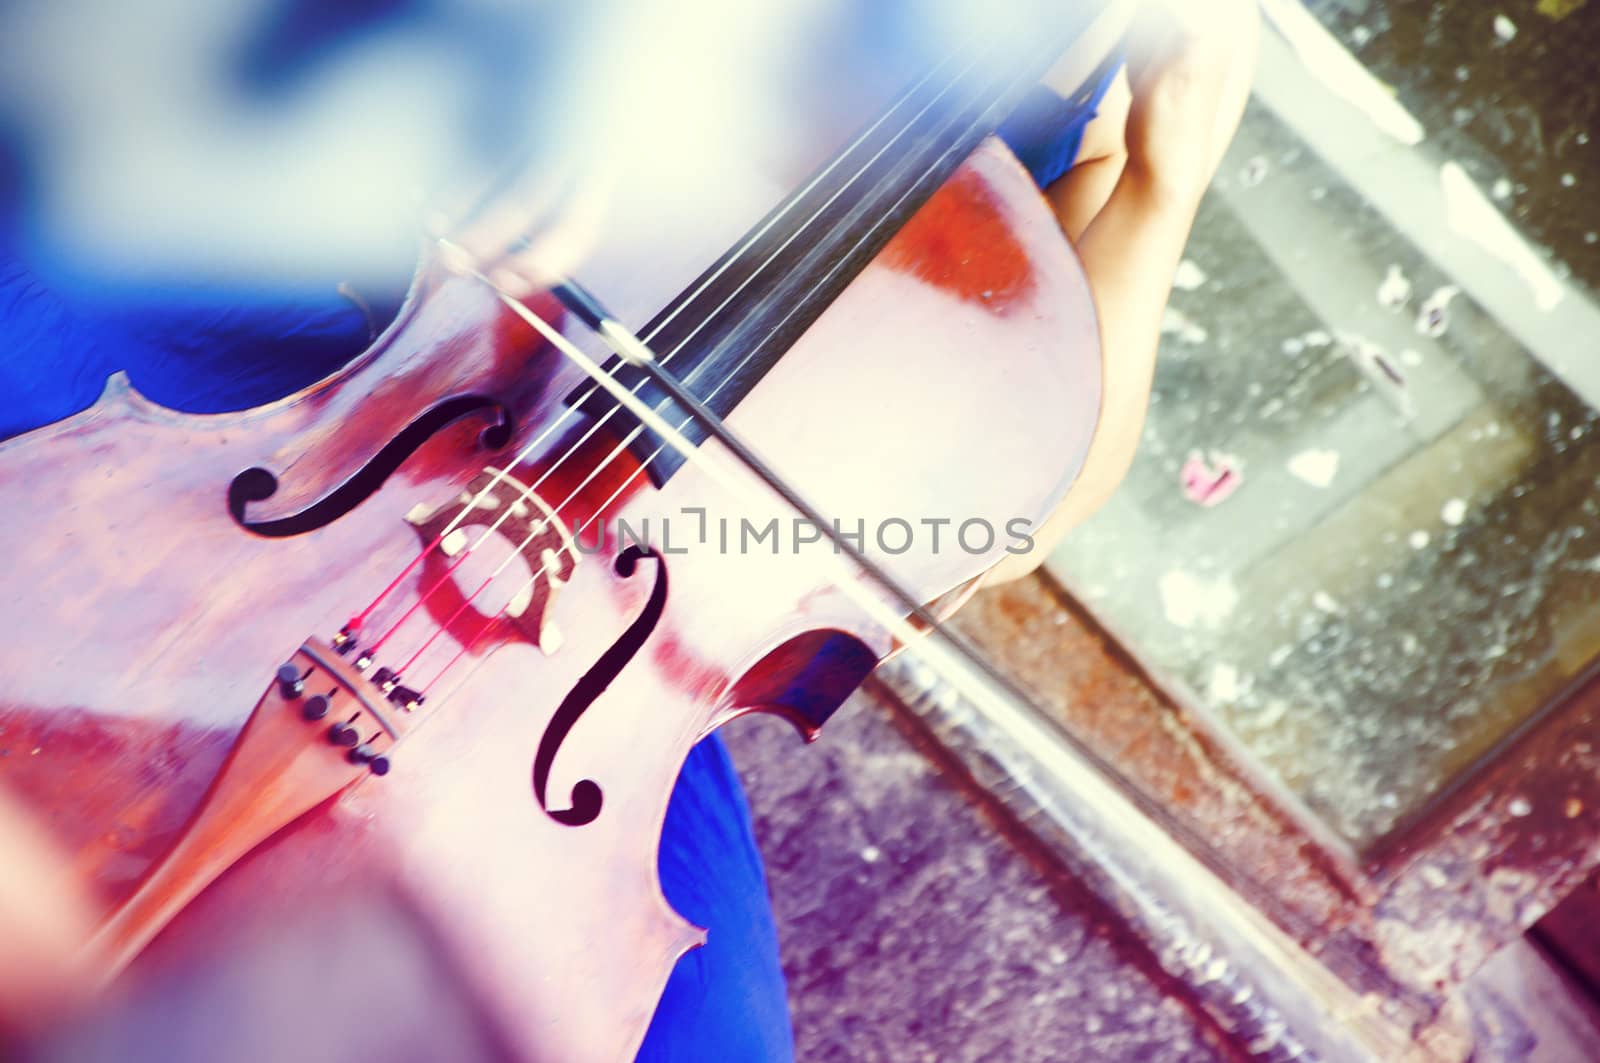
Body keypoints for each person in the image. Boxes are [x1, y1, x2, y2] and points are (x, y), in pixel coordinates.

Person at [0, 0, 1257, 1057]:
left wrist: (1162, 179)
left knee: (707, 1036)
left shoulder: (1104, 65)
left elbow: (1019, 512)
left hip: (594, 628)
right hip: (337, 344)